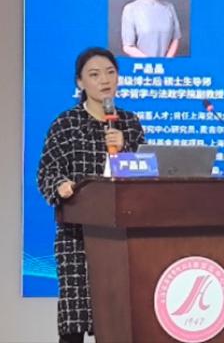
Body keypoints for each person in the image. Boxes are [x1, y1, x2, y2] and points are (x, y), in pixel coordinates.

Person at [37, 47, 145, 343]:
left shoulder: (130, 123)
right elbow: (47, 171)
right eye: (95, 75)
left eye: (110, 72)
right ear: (80, 82)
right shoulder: (66, 123)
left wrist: (126, 148)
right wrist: (60, 185)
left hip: (122, 238)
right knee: (74, 323)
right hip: (77, 238)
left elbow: (145, 176)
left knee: (119, 322)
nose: (104, 80)